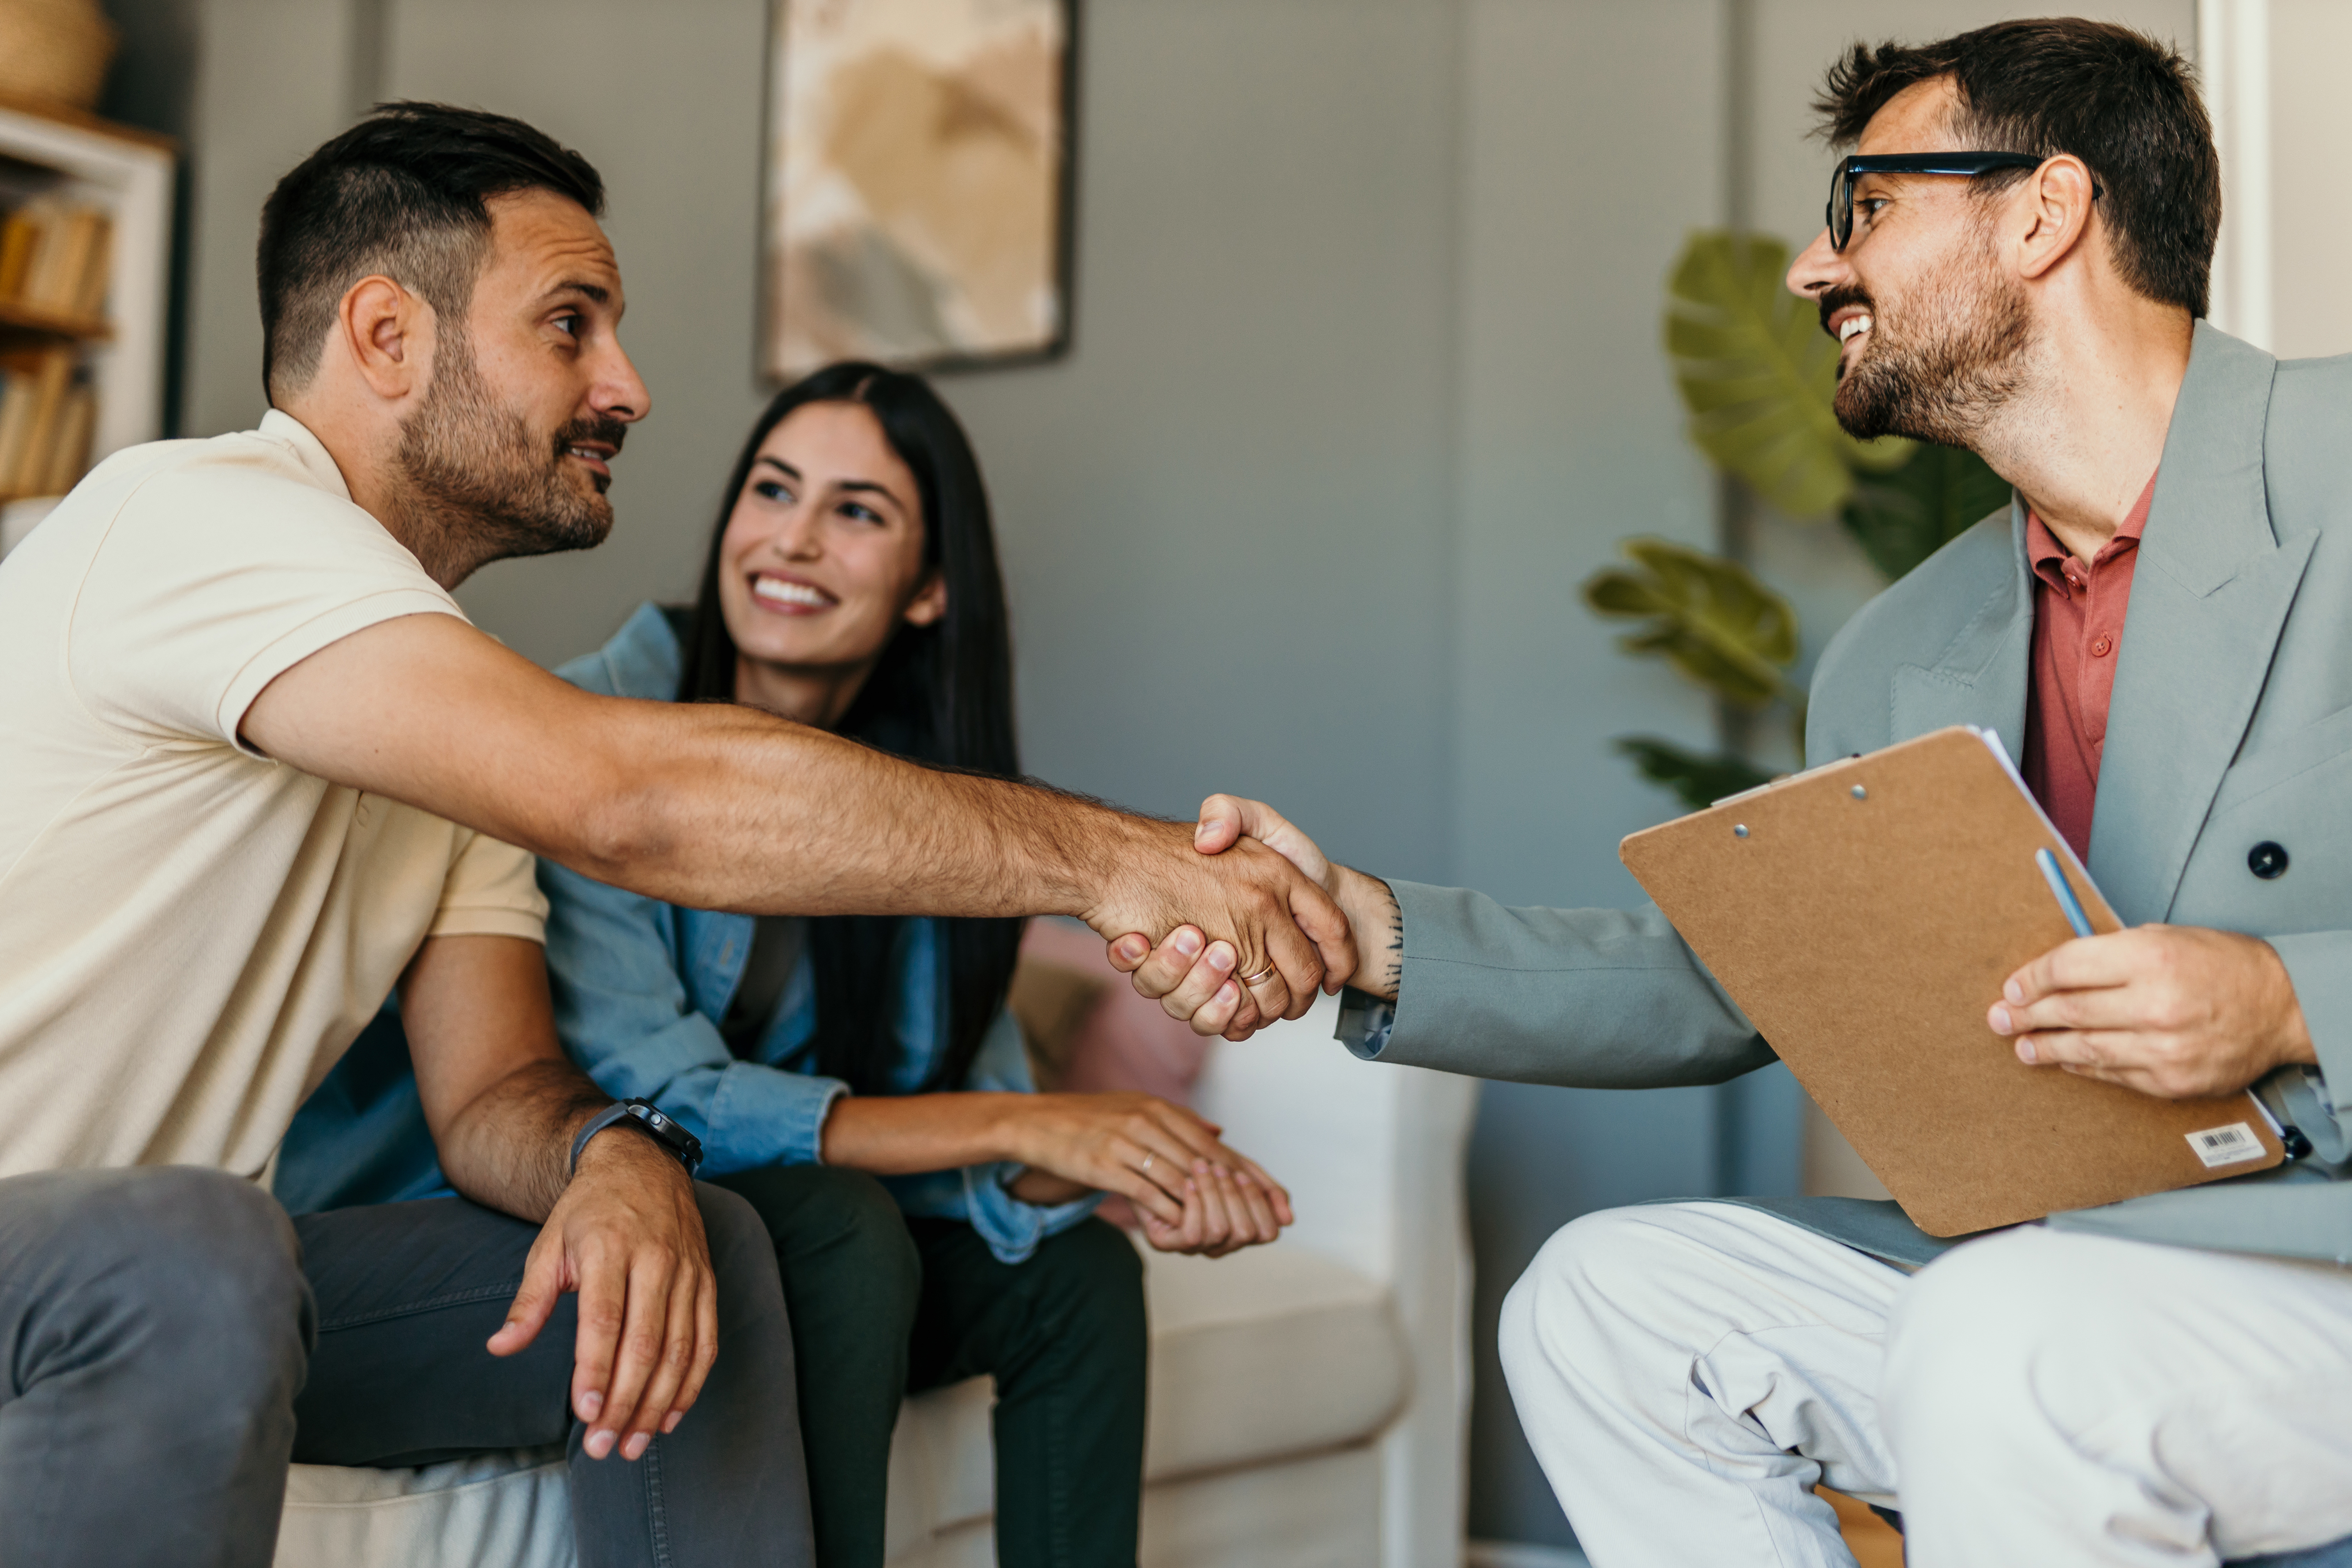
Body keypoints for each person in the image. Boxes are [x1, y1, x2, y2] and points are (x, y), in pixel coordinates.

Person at [0, 102, 1352, 1568]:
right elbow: (629, 803)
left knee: (705, 1243)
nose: (630, 387)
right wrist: (1116, 862)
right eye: (570, 325)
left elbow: (497, 1085)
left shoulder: (436, 703)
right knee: (201, 1246)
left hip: (182, 1288)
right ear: (386, 337)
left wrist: (615, 1154)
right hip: (88, 1260)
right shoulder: (195, 516)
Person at [1123, 20, 2352, 1568]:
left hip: (2315, 1258)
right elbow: (1730, 986)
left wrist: (2285, 999)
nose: (1811, 268)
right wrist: (1357, 931)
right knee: (1603, 1306)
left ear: (2043, 213)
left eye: (1866, 204)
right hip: (2068, 1268)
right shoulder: (1901, 647)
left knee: (2003, 1332)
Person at [282, 360, 1295, 1568]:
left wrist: (1135, 1162)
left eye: (856, 511)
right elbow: (661, 1096)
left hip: (772, 1223)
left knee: (1074, 1271)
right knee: (839, 1224)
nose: (794, 538)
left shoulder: (935, 811)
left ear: (927, 588)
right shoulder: (592, 742)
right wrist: (1035, 1123)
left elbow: (955, 1125)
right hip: (534, 1210)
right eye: (772, 490)